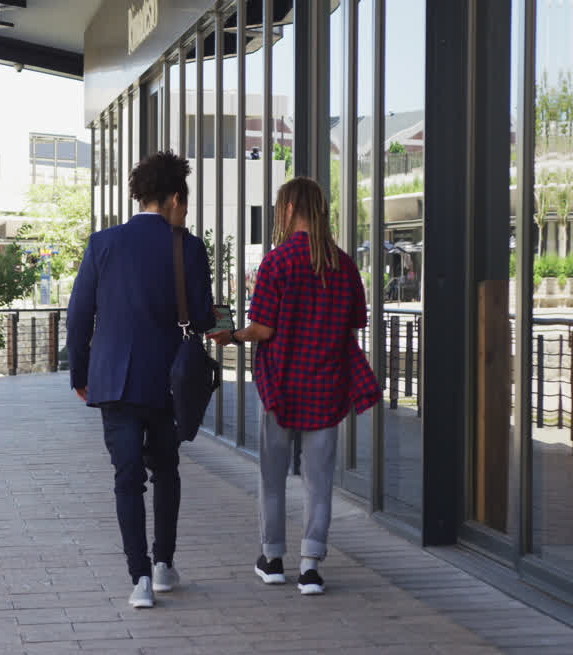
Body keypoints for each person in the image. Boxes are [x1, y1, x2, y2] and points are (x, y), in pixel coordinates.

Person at [210, 177, 377, 596]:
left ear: (287, 211)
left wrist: (231, 335)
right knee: (318, 481)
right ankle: (311, 566)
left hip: (281, 387)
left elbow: (264, 329)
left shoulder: (277, 263)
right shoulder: (344, 264)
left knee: (272, 477)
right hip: (328, 388)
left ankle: (272, 559)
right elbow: (356, 324)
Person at [66, 150, 214, 609]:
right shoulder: (187, 247)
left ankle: (140, 579)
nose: (184, 211)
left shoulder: (102, 244)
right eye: (184, 202)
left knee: (127, 477)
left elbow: (78, 315)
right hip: (167, 381)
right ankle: (165, 563)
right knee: (166, 471)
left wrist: (80, 372)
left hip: (113, 381)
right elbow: (205, 317)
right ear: (173, 198)